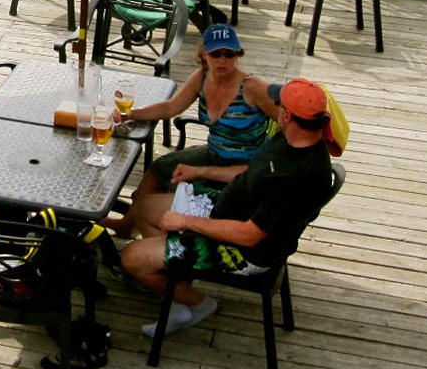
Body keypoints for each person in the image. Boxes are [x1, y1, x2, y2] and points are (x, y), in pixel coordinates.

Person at [118, 77, 340, 337]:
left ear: (288, 115)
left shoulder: (296, 176)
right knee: (144, 207)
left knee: (131, 259)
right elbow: (252, 171)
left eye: (278, 104)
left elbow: (250, 234)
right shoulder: (291, 139)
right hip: (223, 210)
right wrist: (200, 170)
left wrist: (186, 223)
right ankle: (176, 286)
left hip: (240, 250)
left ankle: (198, 303)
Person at [105, 22, 275, 237]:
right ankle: (127, 224)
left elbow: (285, 121)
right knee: (160, 167)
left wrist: (272, 160)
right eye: (216, 54)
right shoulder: (201, 77)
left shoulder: (252, 87)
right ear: (204, 54)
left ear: (238, 55)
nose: (223, 60)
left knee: (168, 191)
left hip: (245, 163)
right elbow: (171, 107)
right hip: (215, 152)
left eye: (229, 54)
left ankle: (157, 237)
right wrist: (132, 114)